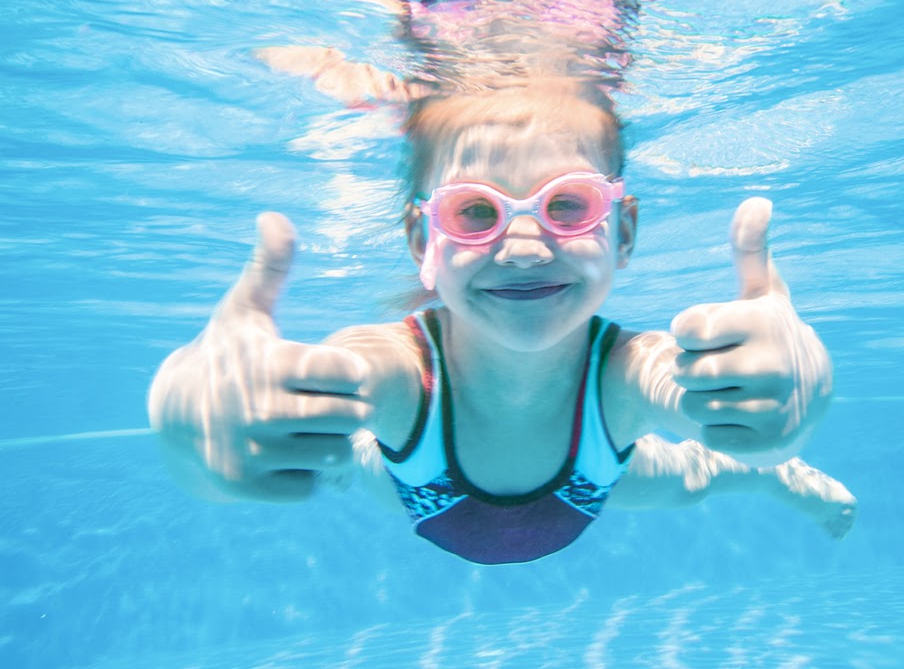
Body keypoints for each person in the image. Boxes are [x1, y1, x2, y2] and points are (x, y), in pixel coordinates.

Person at [148, 36, 855, 562]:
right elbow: (312, 386)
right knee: (334, 456)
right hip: (415, 488)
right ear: (422, 240)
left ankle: (784, 483)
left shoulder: (629, 372)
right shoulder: (397, 371)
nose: (521, 248)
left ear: (624, 230)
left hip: (586, 483)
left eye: (567, 205)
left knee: (698, 479)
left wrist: (777, 411)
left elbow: (698, 395)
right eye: (476, 213)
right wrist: (195, 421)